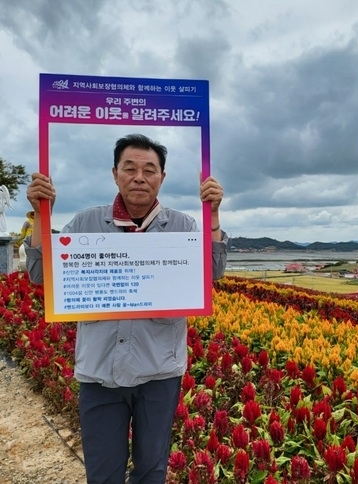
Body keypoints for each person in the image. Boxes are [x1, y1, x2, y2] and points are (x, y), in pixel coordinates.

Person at [24, 133, 228, 483]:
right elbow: (40, 274)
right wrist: (44, 212)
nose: (139, 177)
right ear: (114, 173)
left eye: (150, 170)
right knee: (103, 473)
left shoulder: (182, 227)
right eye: (129, 168)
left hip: (159, 372)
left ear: (162, 178)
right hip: (99, 373)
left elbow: (212, 274)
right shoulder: (86, 224)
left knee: (152, 469)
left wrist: (214, 216)